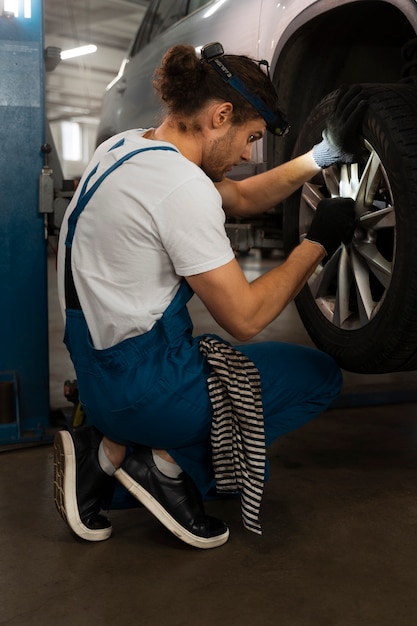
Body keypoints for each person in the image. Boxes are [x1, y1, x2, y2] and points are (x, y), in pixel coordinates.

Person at [54, 42, 367, 549]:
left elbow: (241, 198)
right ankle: (161, 463)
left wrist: (319, 158)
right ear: (220, 115)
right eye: (250, 138)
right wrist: (317, 244)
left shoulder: (125, 147)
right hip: (147, 390)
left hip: (96, 379)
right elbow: (244, 318)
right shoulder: (180, 188)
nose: (248, 155)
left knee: (219, 373)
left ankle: (106, 450)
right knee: (318, 377)